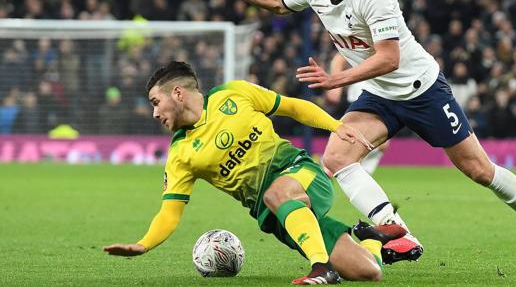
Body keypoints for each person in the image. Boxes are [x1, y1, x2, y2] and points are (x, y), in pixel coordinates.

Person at [208, 0, 516, 274]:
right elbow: (276, 1)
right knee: (338, 157)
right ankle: (399, 230)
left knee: (479, 171)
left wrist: (336, 78)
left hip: (421, 89)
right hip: (380, 95)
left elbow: (390, 58)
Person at [103, 61, 408, 285]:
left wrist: (337, 126)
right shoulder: (181, 154)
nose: (155, 113)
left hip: (301, 173)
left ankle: (321, 268)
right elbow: (170, 213)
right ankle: (370, 237)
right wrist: (143, 244)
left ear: (178, 93)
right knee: (368, 272)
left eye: (157, 102)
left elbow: (292, 108)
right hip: (275, 216)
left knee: (278, 193)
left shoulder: (233, 95)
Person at [325, 53, 388, 175]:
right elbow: (339, 58)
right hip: (366, 91)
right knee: (363, 139)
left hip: (381, 89)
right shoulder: (371, 38)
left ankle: (336, 169)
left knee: (380, 144)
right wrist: (335, 87)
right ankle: (329, 166)